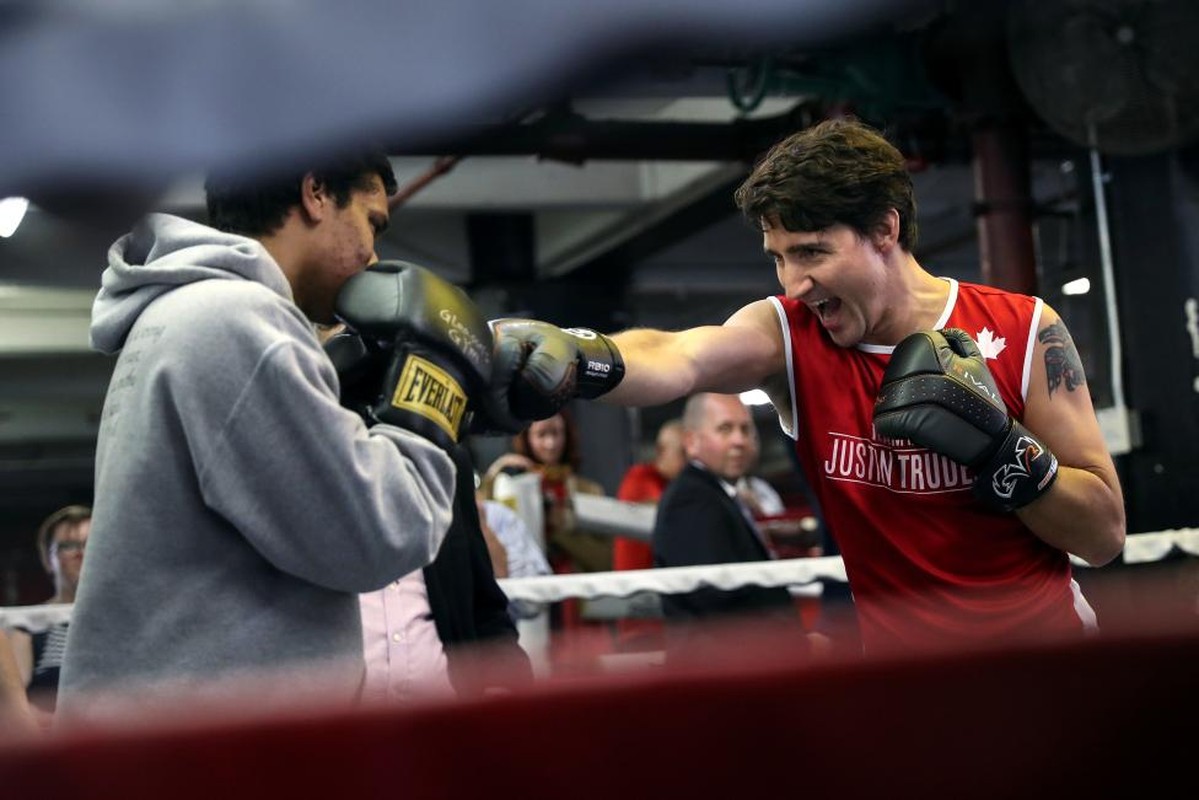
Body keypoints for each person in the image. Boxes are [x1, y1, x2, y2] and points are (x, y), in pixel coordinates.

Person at [489, 117, 1126, 656]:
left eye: (813, 253)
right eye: (779, 256)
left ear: (885, 229)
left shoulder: (1023, 329)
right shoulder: (790, 336)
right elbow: (681, 354)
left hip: (1047, 663)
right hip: (908, 689)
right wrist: (578, 354)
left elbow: (1102, 536)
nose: (795, 283)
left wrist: (1001, 451)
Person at [59, 148, 503, 720]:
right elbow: (379, 536)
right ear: (316, 192)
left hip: (177, 735)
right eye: (372, 222)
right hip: (201, 748)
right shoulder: (240, 323)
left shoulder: (180, 313)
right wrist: (434, 385)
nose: (374, 254)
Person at [358, 447, 534, 705]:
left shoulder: (446, 459)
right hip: (337, 725)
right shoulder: (310, 461)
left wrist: (504, 684)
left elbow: (484, 605)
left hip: (450, 717)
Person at [653, 393, 800, 656]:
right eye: (725, 429)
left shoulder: (714, 494)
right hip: (724, 674)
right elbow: (716, 599)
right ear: (691, 441)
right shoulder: (693, 500)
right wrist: (790, 645)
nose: (739, 441)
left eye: (745, 429)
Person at [8, 505, 91, 717]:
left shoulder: (126, 620)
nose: (81, 553)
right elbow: (16, 703)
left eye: (91, 543)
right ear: (48, 558)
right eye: (68, 546)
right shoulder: (26, 624)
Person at [612, 418, 685, 649]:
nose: (691, 461)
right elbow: (668, 514)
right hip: (643, 623)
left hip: (669, 619)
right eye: (683, 453)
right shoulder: (640, 478)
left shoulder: (675, 486)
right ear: (662, 451)